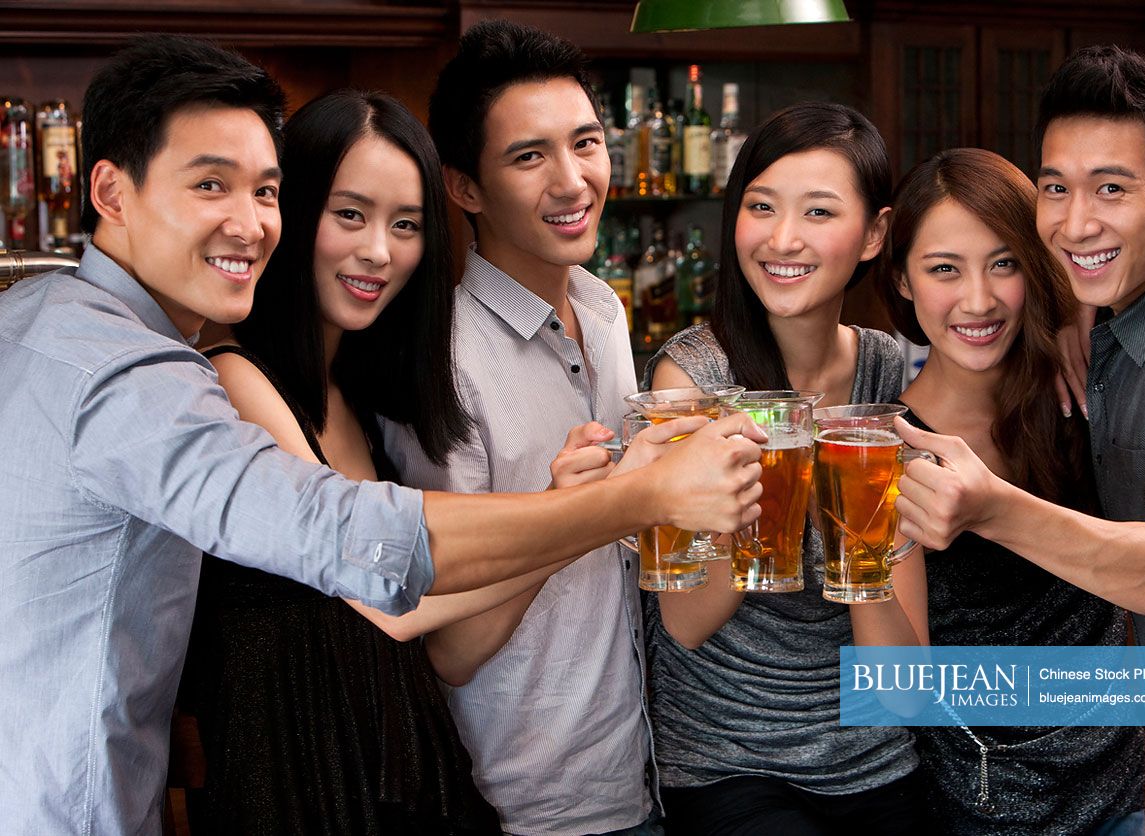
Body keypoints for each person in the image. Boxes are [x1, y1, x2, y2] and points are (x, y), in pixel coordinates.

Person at [0, 35, 765, 833]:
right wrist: (634, 497)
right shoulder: (147, 374)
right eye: (208, 185)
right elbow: (354, 551)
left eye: (264, 192)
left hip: (388, 770)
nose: (248, 221)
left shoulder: (50, 321)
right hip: (188, 790)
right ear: (110, 192)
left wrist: (593, 504)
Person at [893, 45, 1145, 836]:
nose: (1076, 220)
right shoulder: (1110, 324)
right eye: (1055, 188)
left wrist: (990, 508)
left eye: (1111, 189)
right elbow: (895, 687)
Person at [180, 90, 504, 834]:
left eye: (407, 226)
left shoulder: (365, 396)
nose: (379, 252)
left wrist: (578, 518)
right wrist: (602, 511)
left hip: (399, 765)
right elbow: (391, 603)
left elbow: (444, 654)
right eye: (349, 214)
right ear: (289, 215)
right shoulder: (232, 377)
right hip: (297, 779)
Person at [380, 20, 669, 834]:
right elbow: (451, 648)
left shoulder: (603, 308)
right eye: (529, 156)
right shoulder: (441, 362)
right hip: (530, 802)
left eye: (585, 143)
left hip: (646, 767)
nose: (574, 179)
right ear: (465, 188)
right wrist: (571, 513)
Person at [642, 102, 928, 835]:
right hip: (727, 763)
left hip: (873, 758)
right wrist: (752, 493)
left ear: (873, 235)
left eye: (818, 212)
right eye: (760, 206)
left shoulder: (887, 373)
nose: (782, 239)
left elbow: (900, 687)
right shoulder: (690, 381)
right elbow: (686, 622)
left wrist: (857, 529)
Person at [876, 147, 1145, 834]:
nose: (978, 299)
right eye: (943, 269)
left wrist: (1081, 308)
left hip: (1134, 794)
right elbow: (897, 697)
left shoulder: (1078, 384)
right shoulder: (888, 449)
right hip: (988, 810)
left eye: (1005, 263)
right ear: (902, 282)